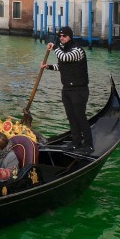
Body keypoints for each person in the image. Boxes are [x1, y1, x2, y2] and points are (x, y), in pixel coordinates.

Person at [43, 27, 93, 155]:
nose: (61, 38)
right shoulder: (64, 50)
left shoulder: (77, 50)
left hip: (79, 90)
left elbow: (65, 58)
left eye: (64, 36)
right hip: (67, 90)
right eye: (60, 36)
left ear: (70, 36)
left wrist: (54, 47)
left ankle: (88, 144)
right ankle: (76, 142)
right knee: (71, 117)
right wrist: (48, 67)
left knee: (80, 117)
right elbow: (62, 66)